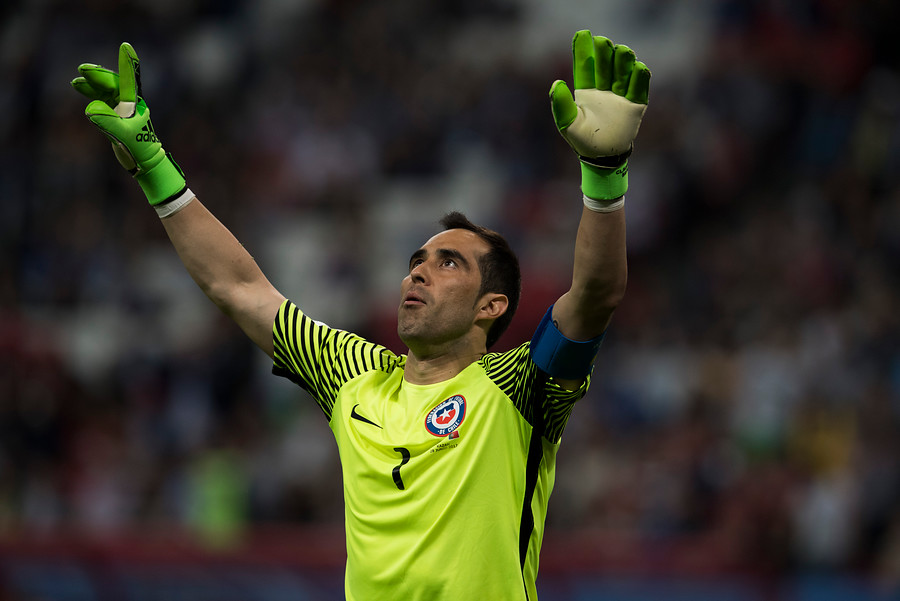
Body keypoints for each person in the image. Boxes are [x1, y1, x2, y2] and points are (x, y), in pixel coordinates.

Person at [72, 30, 650, 601]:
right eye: (416, 261)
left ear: (491, 307)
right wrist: (152, 163)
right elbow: (239, 287)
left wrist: (604, 177)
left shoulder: (522, 387)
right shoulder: (354, 374)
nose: (417, 273)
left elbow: (596, 293)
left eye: (449, 263)